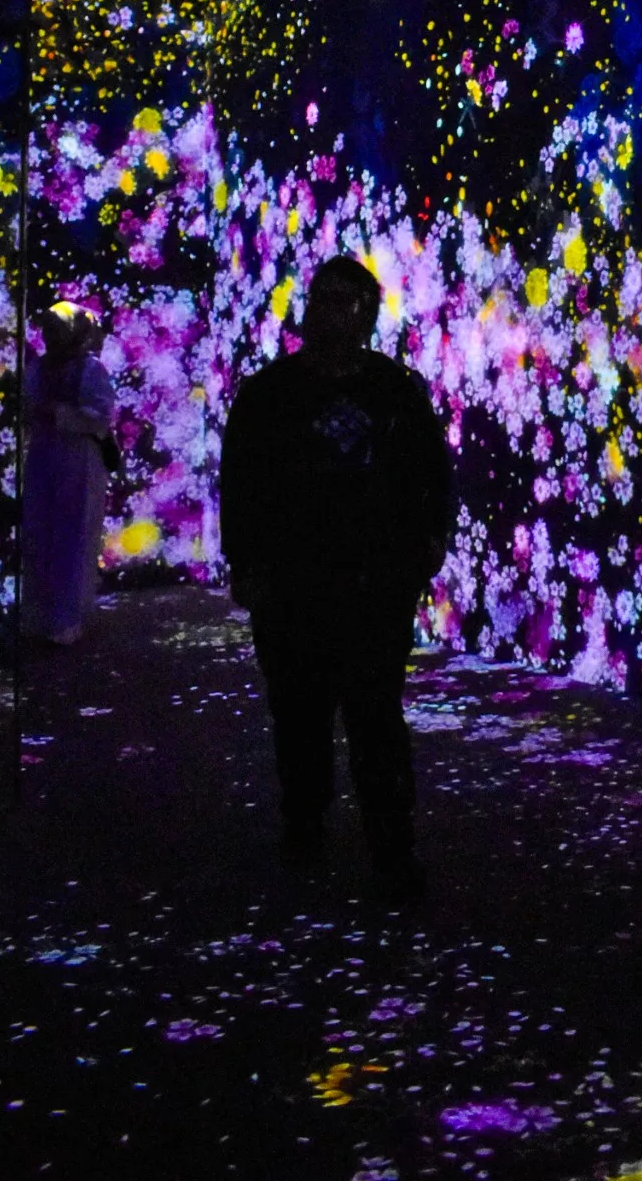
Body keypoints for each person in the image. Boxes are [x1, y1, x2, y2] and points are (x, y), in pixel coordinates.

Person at [218, 254, 451, 897]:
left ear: (366, 314)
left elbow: (429, 472)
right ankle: (304, 829)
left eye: (342, 300)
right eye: (320, 298)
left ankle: (390, 845)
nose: (327, 311)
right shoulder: (269, 395)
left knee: (376, 716)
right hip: (294, 588)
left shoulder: (395, 391)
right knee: (299, 715)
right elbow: (240, 483)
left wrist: (429, 542)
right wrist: (246, 563)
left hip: (374, 586)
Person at [20, 304, 118, 646]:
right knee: (39, 530)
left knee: (74, 532)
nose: (51, 337)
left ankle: (67, 617)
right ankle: (36, 613)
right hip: (44, 456)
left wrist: (59, 413)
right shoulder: (39, 368)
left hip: (78, 460)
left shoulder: (90, 369)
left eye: (57, 330)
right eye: (48, 330)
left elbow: (102, 416)